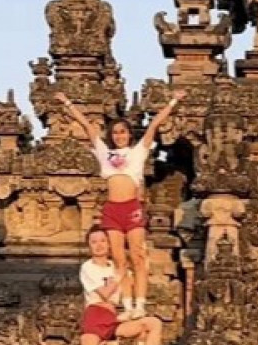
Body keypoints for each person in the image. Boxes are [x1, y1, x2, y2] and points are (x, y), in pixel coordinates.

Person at [56, 89, 185, 318]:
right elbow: (87, 126)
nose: (119, 136)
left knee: (137, 256)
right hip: (112, 209)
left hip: (132, 208)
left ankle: (140, 304)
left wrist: (173, 101)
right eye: (115, 133)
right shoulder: (105, 153)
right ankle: (126, 306)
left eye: (123, 132)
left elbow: (154, 125)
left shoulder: (137, 152)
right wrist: (67, 102)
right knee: (118, 259)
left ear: (129, 134)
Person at [78, 227, 165, 345]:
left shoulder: (115, 266)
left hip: (113, 317)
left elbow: (133, 282)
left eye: (103, 241)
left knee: (153, 324)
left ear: (110, 244)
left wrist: (141, 262)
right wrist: (120, 275)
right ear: (89, 246)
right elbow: (105, 293)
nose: (99, 245)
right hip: (95, 316)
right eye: (94, 242)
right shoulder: (88, 267)